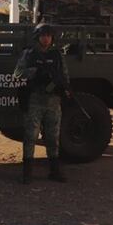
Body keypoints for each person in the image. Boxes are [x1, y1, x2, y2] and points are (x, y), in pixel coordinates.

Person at [13, 23, 69, 184]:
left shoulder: (57, 55)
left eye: (48, 36)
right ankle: (27, 173)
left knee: (52, 137)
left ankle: (54, 171)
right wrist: (35, 72)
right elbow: (17, 74)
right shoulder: (29, 54)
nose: (46, 39)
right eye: (43, 36)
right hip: (34, 100)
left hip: (53, 101)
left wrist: (63, 88)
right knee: (30, 136)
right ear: (38, 37)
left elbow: (64, 76)